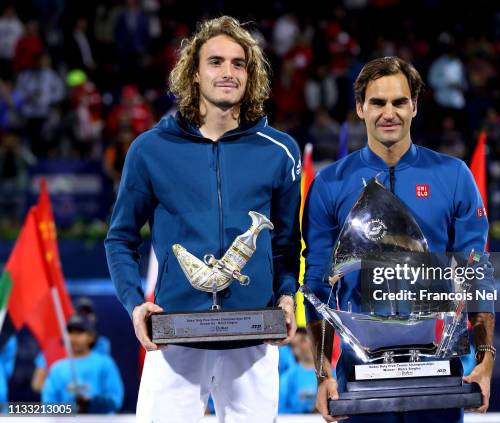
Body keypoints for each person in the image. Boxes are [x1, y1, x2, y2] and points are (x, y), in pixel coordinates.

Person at [104, 15, 301, 422]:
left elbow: (285, 243)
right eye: (215, 62)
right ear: (194, 73)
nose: (228, 72)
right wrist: (134, 304)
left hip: (254, 337)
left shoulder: (279, 150)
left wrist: (286, 295)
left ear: (251, 75)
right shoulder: (150, 149)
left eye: (238, 63)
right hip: (175, 336)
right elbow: (120, 239)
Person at [302, 56, 495, 423]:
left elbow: (476, 274)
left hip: (438, 373)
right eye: (377, 102)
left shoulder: (453, 176)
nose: (388, 112)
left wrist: (485, 360)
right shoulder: (330, 185)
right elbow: (317, 287)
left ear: (415, 106)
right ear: (360, 108)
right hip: (359, 379)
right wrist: (324, 371)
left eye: (399, 102)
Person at [41, 314, 124, 414]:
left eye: (79, 333)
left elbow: (116, 400)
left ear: (91, 337)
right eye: (70, 333)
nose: (73, 338)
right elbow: (48, 404)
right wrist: (72, 408)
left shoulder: (105, 363)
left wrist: (91, 403)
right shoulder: (57, 368)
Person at [31, 297, 111, 393]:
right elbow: (37, 384)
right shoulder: (53, 347)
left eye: (87, 313)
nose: (83, 317)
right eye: (79, 313)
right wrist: (66, 392)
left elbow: (103, 383)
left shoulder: (102, 345)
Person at [279, 328, 319, 414]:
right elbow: (279, 411)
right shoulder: (288, 377)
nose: (300, 347)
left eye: (303, 340)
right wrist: (307, 412)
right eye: (294, 345)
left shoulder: (332, 374)